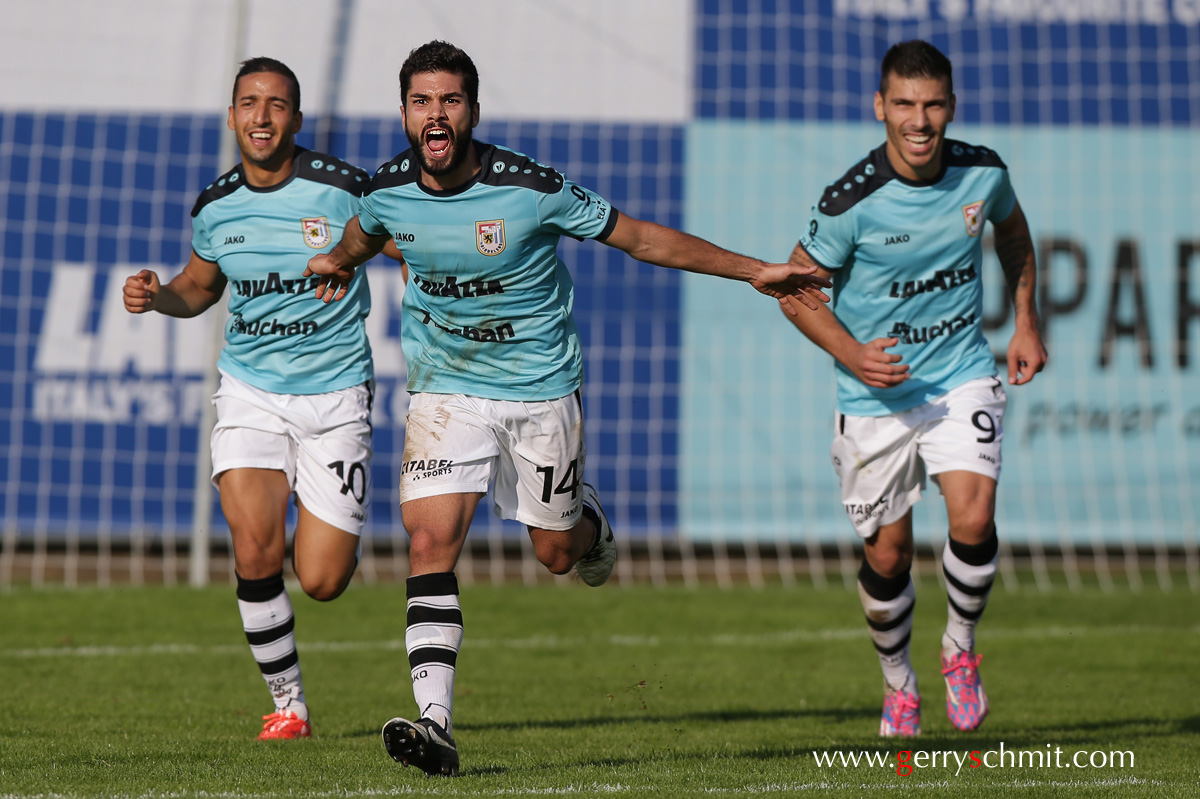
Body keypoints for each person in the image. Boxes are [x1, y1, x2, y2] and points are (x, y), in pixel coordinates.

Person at [304, 40, 830, 776]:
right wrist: (338, 258)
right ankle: (437, 723)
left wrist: (754, 272)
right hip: (445, 387)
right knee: (429, 542)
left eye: (450, 100)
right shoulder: (386, 188)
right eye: (422, 100)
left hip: (540, 389)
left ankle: (591, 526)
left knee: (555, 551)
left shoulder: (532, 186)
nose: (436, 113)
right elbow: (366, 233)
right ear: (403, 113)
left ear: (473, 112)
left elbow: (639, 236)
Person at [123, 57, 404, 741]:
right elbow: (199, 286)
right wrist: (157, 296)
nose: (261, 116)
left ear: (297, 120)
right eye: (248, 102)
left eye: (277, 104)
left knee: (323, 578)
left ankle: (335, 535)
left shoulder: (342, 189)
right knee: (254, 549)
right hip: (251, 391)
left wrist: (378, 258)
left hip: (335, 395)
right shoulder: (216, 205)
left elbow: (405, 246)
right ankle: (289, 704)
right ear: (231, 117)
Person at [780, 40, 1048, 737]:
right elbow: (795, 291)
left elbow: (1014, 235)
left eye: (932, 104)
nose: (919, 120)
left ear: (951, 107)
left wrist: (1025, 322)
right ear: (881, 107)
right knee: (888, 553)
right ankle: (899, 682)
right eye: (904, 104)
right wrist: (853, 354)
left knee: (973, 513)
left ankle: (959, 645)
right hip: (874, 398)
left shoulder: (982, 174)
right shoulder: (850, 201)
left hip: (960, 373)